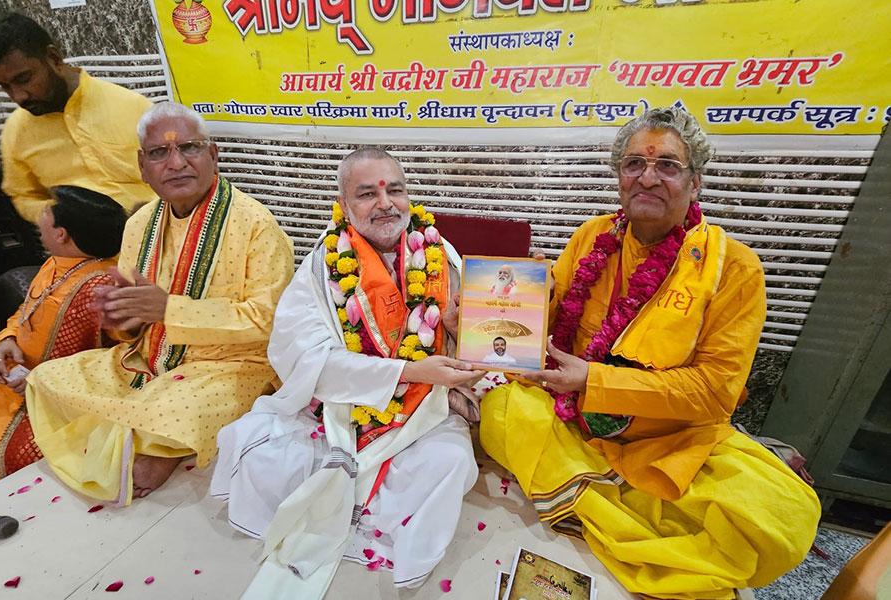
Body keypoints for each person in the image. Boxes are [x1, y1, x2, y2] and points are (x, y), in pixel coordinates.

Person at [479, 108, 820, 600]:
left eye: (668, 166)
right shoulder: (592, 236)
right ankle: (614, 502)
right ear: (619, 177)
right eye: (634, 163)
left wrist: (596, 381)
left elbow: (715, 394)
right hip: (571, 415)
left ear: (695, 182)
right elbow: (549, 325)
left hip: (670, 440)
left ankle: (593, 497)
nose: (648, 177)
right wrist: (498, 311)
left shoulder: (734, 268)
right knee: (500, 408)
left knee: (778, 514)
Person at [211, 148, 484, 598]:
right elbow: (301, 354)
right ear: (343, 202)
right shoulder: (323, 264)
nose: (385, 203)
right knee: (258, 446)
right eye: (366, 194)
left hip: (426, 409)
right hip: (343, 406)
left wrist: (456, 332)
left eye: (395, 189)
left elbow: (464, 345)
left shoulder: (440, 253)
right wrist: (411, 370)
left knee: (450, 462)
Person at [24, 102, 293, 503]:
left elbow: (267, 321)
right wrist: (122, 317)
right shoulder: (139, 224)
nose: (176, 162)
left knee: (179, 411)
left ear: (213, 156)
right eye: (159, 153)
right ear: (142, 167)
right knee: (45, 379)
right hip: (149, 358)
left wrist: (169, 309)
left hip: (231, 367)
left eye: (190, 148)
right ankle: (148, 437)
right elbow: (132, 329)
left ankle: (151, 439)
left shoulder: (256, 224)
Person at [0, 186, 126, 482]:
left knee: (3, 456)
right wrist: (7, 338)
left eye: (45, 213)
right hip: (8, 384)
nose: (37, 220)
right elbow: (26, 311)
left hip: (51, 407)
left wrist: (44, 383)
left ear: (62, 233)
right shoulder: (57, 262)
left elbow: (125, 358)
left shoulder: (104, 287)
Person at [0, 13, 156, 223]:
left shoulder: (134, 108)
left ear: (54, 58)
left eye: (24, 79)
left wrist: (154, 214)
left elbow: (178, 180)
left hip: (156, 246)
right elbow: (23, 195)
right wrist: (59, 215)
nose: (18, 96)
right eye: (5, 86)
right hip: (77, 254)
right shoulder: (16, 131)